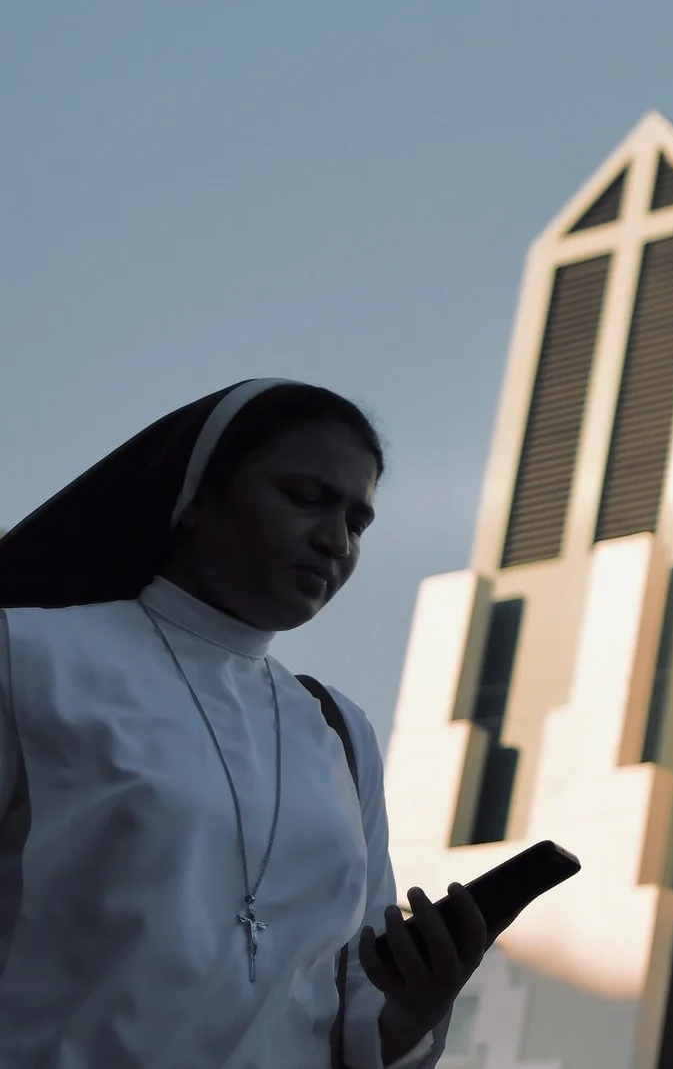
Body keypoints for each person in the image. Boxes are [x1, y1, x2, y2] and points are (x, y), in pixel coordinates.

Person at [0, 379, 490, 1067]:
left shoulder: (338, 733)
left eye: (356, 523)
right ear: (196, 497)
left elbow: (353, 1009)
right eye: (305, 498)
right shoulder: (28, 658)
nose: (334, 541)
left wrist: (415, 1005)